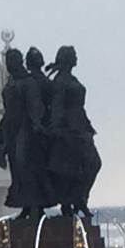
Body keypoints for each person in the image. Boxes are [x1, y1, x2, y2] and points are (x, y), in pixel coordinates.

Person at [0, 48, 55, 219]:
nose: (9, 65)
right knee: (18, 171)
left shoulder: (28, 83)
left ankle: (36, 205)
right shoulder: (10, 85)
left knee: (28, 167)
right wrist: (2, 133)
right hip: (13, 131)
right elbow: (8, 111)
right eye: (8, 62)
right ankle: (26, 205)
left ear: (20, 62)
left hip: (27, 131)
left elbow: (35, 106)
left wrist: (37, 125)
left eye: (12, 61)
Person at [45, 45, 101, 217]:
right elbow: (57, 106)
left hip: (80, 125)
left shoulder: (70, 79)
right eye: (74, 54)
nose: (76, 57)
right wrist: (56, 128)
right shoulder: (60, 81)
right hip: (69, 128)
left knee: (93, 164)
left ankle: (80, 199)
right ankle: (70, 203)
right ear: (67, 58)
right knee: (72, 169)